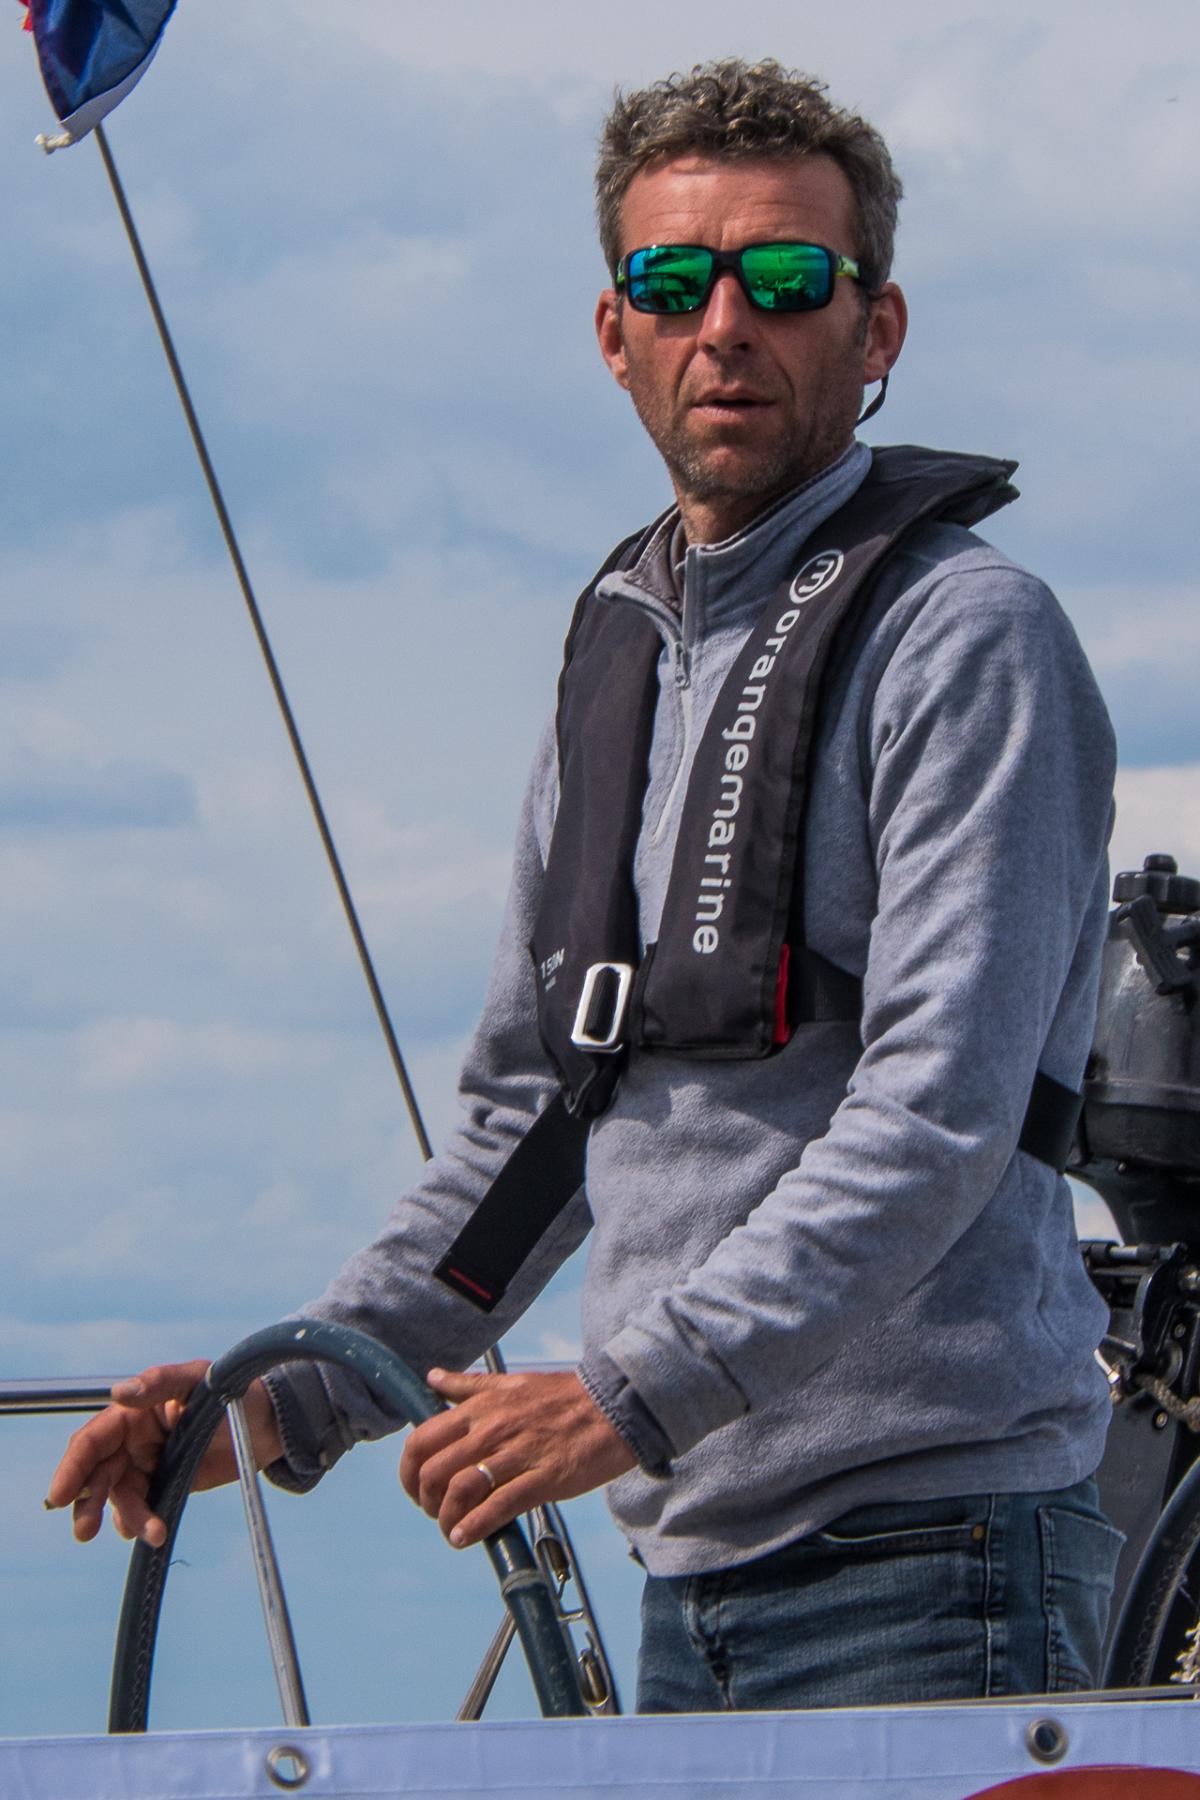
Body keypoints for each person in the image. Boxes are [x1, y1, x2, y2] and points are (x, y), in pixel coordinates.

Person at [49, 59, 1123, 1710]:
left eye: (786, 279)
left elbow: (940, 1117)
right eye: (673, 282)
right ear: (614, 334)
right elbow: (534, 1127)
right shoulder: (617, 651)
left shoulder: (969, 639)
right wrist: (279, 1404)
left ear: (878, 330)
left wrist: (626, 1396)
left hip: (938, 1556)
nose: (725, 326)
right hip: (689, 1575)